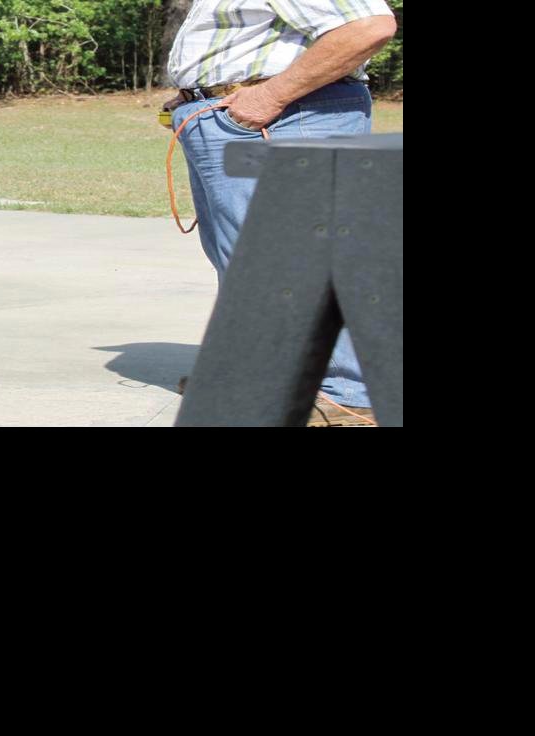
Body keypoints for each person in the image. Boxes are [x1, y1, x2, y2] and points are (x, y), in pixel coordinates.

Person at [166, 1, 396, 426]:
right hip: (236, 117)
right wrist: (194, 92)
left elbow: (369, 26)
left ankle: (349, 397)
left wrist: (269, 95)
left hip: (287, 115)